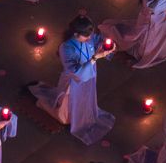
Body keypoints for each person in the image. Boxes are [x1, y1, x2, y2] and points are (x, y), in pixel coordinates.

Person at [30, 15, 116, 145]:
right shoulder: (66, 48)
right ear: (76, 34)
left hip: (90, 75)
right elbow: (75, 72)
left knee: (86, 97)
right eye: (86, 36)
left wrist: (108, 45)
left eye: (90, 35)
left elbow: (98, 39)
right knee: (69, 102)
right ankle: (66, 114)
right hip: (73, 81)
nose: (89, 38)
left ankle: (82, 112)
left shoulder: (88, 36)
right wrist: (95, 58)